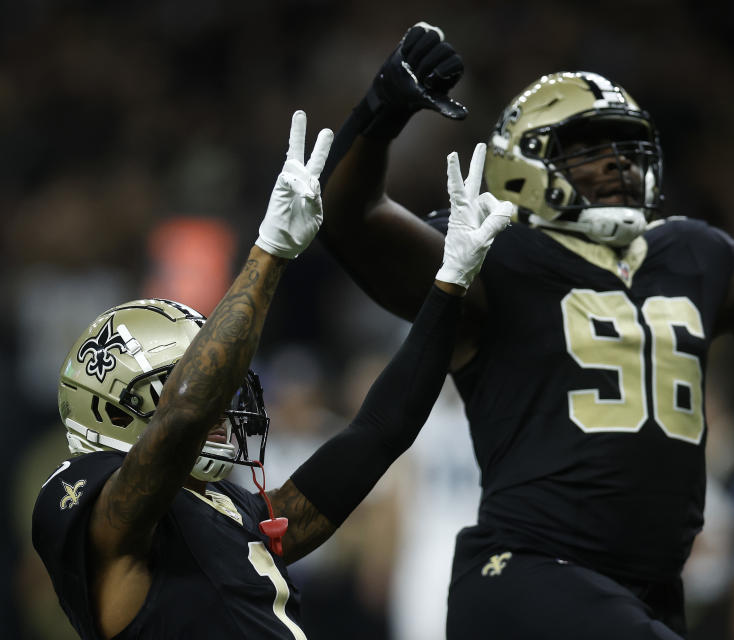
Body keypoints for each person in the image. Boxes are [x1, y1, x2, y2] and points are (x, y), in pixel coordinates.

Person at [318, 22, 734, 640]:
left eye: (627, 147)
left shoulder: (685, 256)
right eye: (590, 147)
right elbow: (353, 217)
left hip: (644, 593)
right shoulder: (495, 257)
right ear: (527, 163)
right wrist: (380, 110)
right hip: (530, 574)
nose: (619, 164)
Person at [31, 108, 511, 639]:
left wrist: (448, 286)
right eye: (193, 379)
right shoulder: (91, 507)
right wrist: (271, 251)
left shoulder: (237, 514)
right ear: (111, 408)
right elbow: (187, 411)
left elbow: (379, 432)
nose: (223, 405)